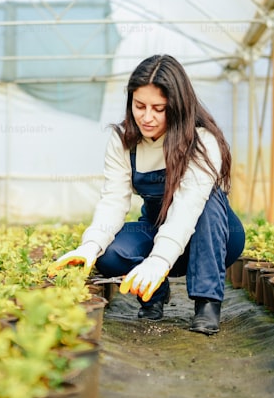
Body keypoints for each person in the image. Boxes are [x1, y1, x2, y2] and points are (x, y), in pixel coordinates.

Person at [52, 54, 245, 335]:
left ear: (177, 107)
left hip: (216, 236)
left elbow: (187, 207)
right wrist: (90, 246)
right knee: (110, 255)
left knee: (206, 204)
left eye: (159, 108)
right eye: (139, 106)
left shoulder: (202, 142)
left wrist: (159, 260)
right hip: (157, 228)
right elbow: (114, 200)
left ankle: (207, 302)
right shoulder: (123, 142)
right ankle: (154, 293)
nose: (147, 117)